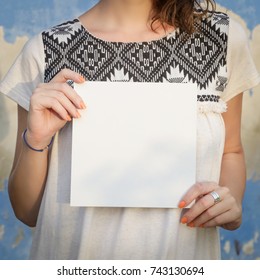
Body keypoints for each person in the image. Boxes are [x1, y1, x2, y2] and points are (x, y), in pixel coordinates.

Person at [0, 0, 259, 260]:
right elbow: (27, 212)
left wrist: (230, 202)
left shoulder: (221, 39)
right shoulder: (45, 50)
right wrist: (36, 139)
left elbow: (231, 151)